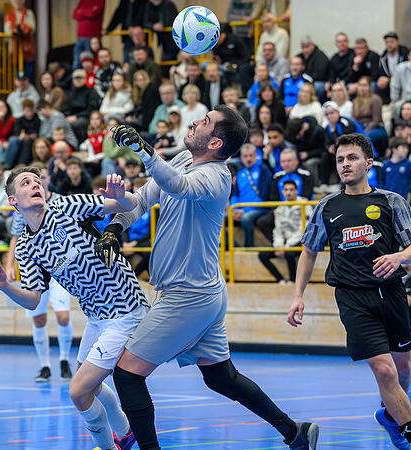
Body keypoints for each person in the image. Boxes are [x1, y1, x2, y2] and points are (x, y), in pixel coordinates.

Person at [98, 108, 320, 450]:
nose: (195, 121)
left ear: (215, 142)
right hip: (205, 292)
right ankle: (295, 433)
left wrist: (146, 151)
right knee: (220, 376)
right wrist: (115, 227)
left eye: (204, 121)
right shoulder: (186, 156)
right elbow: (141, 200)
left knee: (127, 373)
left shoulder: (217, 176)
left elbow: (178, 186)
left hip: (189, 297)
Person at [288, 133, 411, 450]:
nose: (345, 165)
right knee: (384, 369)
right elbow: (308, 252)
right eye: (340, 160)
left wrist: (397, 257)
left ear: (368, 163)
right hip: (353, 298)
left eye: (351, 158)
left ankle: (391, 417)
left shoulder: (392, 201)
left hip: (392, 293)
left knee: (402, 369)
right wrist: (298, 295)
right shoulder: (327, 207)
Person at [0, 168, 145, 450]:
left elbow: (127, 205)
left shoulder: (66, 207)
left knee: (78, 391)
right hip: (97, 316)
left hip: (124, 307)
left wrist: (122, 196)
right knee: (90, 387)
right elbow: (33, 299)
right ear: (13, 200)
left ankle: (111, 447)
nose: (36, 185)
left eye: (37, 181)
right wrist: (5, 286)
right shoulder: (25, 246)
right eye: (26, 183)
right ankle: (126, 433)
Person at [258, 180, 304, 284]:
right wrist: (278, 246)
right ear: (282, 192)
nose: (289, 192)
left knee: (289, 254)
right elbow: (278, 230)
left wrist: (287, 246)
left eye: (291, 190)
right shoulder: (280, 208)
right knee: (262, 255)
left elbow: (303, 230)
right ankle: (280, 280)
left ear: (296, 191)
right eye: (286, 190)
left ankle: (293, 280)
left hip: (301, 240)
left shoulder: (305, 205)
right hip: (286, 242)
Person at [230, 143, 272, 248]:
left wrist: (245, 210)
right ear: (241, 158)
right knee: (221, 219)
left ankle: (249, 248)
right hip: (239, 210)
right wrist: (234, 209)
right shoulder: (240, 173)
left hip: (259, 208)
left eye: (251, 155)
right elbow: (235, 195)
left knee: (246, 218)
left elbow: (263, 196)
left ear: (256, 156)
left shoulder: (263, 170)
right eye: (245, 156)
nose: (248, 159)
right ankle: (232, 246)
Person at [4, 0, 36, 80]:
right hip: (14, 51)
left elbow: (32, 28)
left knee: (29, 74)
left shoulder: (28, 13)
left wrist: (22, 31)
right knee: (17, 76)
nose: (18, 2)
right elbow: (7, 33)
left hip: (27, 50)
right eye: (15, 1)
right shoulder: (9, 16)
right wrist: (14, 32)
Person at [377, 31, 408, 103]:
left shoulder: (404, 54)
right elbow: (381, 72)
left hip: (403, 81)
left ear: (397, 42)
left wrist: (390, 79)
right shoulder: (383, 57)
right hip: (388, 85)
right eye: (387, 42)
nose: (389, 44)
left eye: (391, 42)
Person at [72, 0, 105, 69]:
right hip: (80, 37)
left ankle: (89, 78)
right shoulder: (83, 1)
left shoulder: (100, 1)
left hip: (91, 37)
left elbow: (93, 13)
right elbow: (75, 14)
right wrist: (88, 11)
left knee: (89, 61)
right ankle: (78, 77)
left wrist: (81, 12)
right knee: (77, 62)